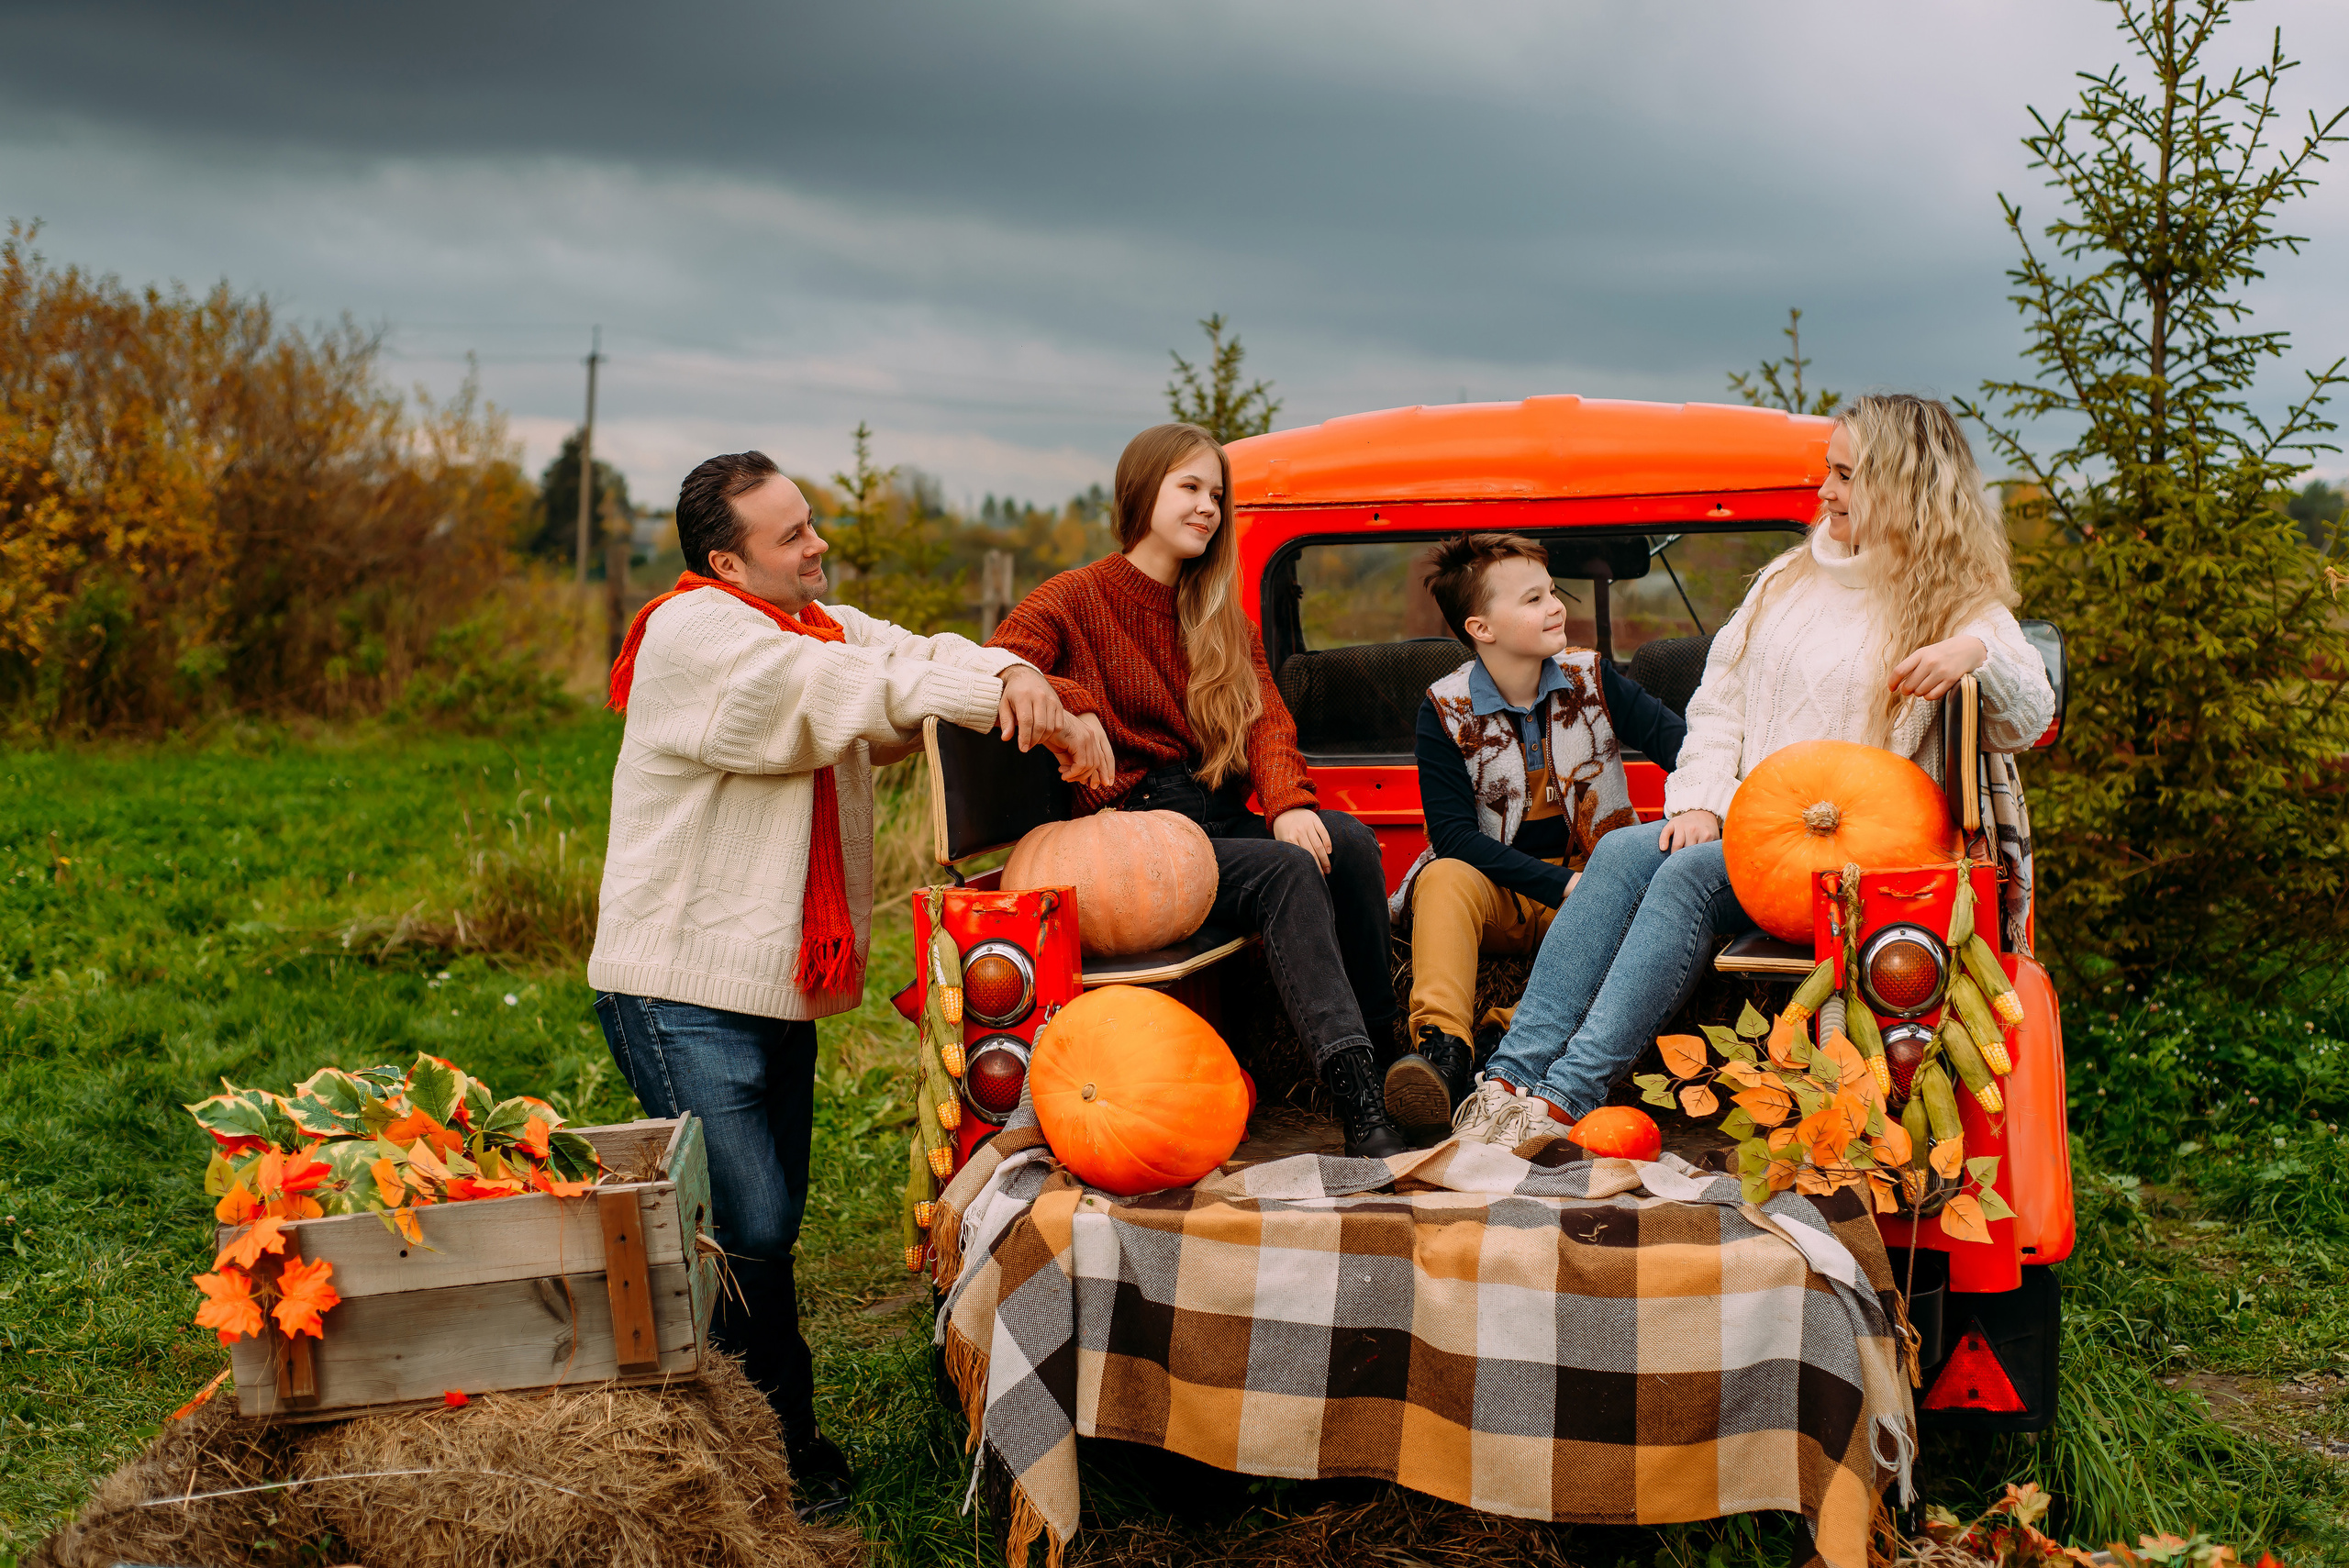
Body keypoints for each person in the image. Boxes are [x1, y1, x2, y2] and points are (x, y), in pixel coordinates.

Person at [589, 450, 1087, 1518]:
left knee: (755, 1227)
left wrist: (1002, 670)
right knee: (751, 1227)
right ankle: (780, 1450)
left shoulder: (813, 622)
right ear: (726, 559)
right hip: (678, 983)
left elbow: (913, 652)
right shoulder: (699, 637)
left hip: (773, 985)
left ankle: (718, 1421)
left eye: (810, 522)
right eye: (789, 535)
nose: (816, 544)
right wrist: (995, 679)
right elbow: (836, 694)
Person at [1452, 394, 2055, 1148]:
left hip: (1862, 857)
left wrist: (1977, 653)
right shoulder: (1787, 581)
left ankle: (1566, 1097)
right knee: (1624, 850)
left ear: (1901, 485)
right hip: (1762, 826)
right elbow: (1718, 705)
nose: (1825, 492)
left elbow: (2029, 710)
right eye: (1826, 472)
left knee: (1688, 874)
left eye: (1845, 475)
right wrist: (1701, 799)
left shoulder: (1954, 604)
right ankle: (1508, 1078)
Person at [986, 422, 1410, 1159]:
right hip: (1137, 832)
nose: (1208, 507)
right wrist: (1071, 701)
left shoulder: (1217, 617)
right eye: (1189, 488)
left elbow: (1268, 722)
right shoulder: (1075, 596)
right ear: (1142, 491)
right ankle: (1359, 1101)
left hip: (1212, 818)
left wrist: (1288, 802)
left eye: (1216, 495)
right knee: (1286, 870)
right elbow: (997, 664)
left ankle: (1388, 1051)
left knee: (1348, 842)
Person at [1379, 533, 1686, 1141]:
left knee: (1653, 912)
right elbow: (1454, 835)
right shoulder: (1445, 707)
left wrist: (1695, 808)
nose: (1554, 607)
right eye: (1531, 599)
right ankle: (1443, 1051)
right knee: (1442, 876)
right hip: (1504, 890)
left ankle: (1504, 1034)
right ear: (1481, 627)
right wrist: (1561, 883)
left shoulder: (1593, 678)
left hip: (1600, 893)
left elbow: (1686, 748)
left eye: (1552, 592)